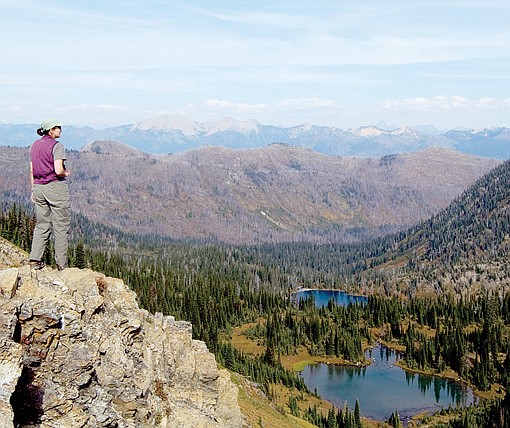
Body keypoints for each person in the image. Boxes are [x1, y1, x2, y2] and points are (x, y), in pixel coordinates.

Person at [29, 119, 71, 271]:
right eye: (58, 127)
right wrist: (65, 173)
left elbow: (32, 170)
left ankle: (35, 259)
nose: (60, 130)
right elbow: (58, 170)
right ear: (51, 130)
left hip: (38, 188)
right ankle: (61, 264)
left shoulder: (35, 145)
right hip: (55, 187)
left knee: (42, 224)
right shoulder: (57, 146)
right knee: (61, 225)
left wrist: (33, 189)